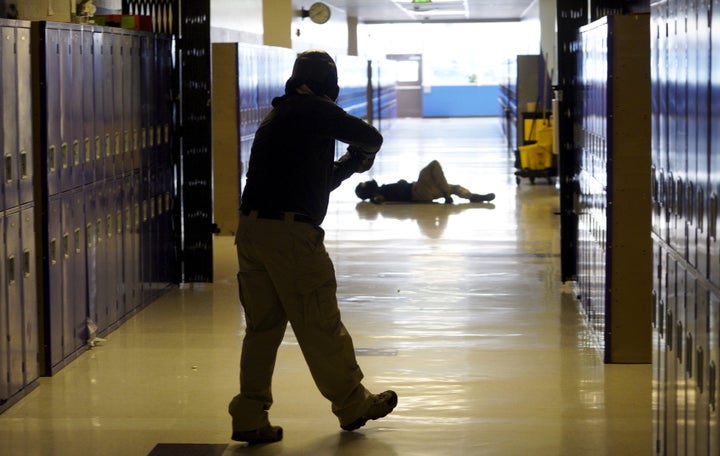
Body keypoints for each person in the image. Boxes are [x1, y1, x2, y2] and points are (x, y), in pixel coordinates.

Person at [229, 50, 398, 445]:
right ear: (329, 84)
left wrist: (350, 165)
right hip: (290, 239)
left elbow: (316, 182)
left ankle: (249, 414)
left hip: (253, 232)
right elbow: (372, 136)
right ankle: (353, 404)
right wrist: (365, 154)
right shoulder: (313, 110)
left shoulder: (282, 113)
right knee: (319, 321)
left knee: (262, 329)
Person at [355, 160, 496, 204]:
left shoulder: (381, 188)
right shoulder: (377, 193)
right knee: (432, 166)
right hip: (418, 192)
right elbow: (378, 199)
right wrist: (375, 198)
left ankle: (473, 197)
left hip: (422, 192)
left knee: (455, 187)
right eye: (365, 184)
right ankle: (447, 194)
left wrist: (401, 183)